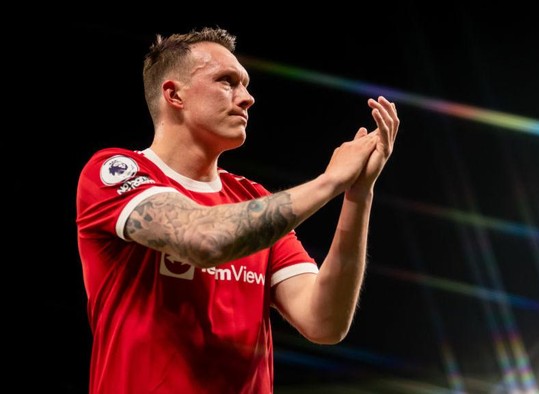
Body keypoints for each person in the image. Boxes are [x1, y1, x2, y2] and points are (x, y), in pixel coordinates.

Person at [75, 26, 399, 393]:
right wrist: (329, 182)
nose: (247, 99)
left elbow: (324, 321)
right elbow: (205, 239)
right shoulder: (113, 172)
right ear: (174, 94)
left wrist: (358, 193)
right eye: (227, 81)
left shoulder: (251, 198)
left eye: (245, 85)